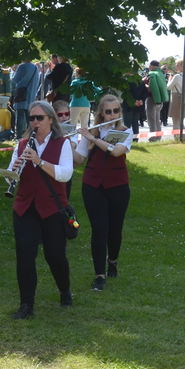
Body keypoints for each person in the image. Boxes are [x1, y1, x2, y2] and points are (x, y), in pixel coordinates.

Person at [7, 100, 74, 319]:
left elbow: (65, 174)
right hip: (25, 206)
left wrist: (39, 161)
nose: (35, 122)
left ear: (51, 119)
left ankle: (65, 290)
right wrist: (13, 171)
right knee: (25, 256)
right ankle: (26, 304)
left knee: (55, 256)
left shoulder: (62, 143)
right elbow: (10, 174)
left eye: (40, 118)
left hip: (52, 207)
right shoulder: (22, 144)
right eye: (32, 118)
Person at [73, 95, 132, 291]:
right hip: (92, 184)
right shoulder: (92, 131)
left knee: (115, 230)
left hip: (118, 185)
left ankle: (112, 261)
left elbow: (116, 151)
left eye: (116, 111)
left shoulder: (126, 131)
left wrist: (93, 139)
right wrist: (68, 143)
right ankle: (99, 275)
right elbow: (79, 160)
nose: (112, 114)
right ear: (101, 113)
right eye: (108, 111)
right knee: (99, 229)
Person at [10, 58, 40, 136]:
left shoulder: (22, 66)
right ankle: (30, 135)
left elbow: (14, 79)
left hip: (21, 95)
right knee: (29, 118)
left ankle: (18, 136)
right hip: (31, 96)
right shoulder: (35, 68)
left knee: (19, 117)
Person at [145, 60, 169, 142]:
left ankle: (153, 137)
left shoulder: (152, 74)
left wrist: (144, 85)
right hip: (161, 100)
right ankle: (159, 136)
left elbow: (152, 87)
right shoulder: (161, 74)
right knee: (157, 120)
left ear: (152, 66)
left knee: (151, 120)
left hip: (153, 99)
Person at [167, 60, 185, 132]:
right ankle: (183, 136)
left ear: (182, 66)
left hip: (176, 98)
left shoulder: (177, 76)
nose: (176, 66)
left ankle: (177, 136)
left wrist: (169, 80)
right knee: (180, 120)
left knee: (175, 119)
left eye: (177, 65)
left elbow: (169, 87)